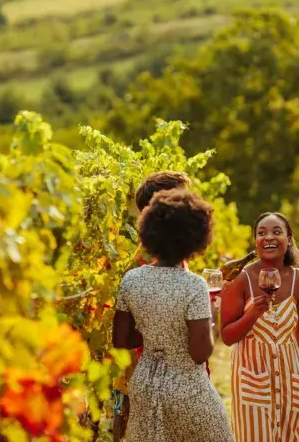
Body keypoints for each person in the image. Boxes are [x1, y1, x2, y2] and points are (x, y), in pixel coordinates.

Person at [112, 189, 233, 442]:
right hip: (187, 390)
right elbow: (200, 353)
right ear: (196, 238)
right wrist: (211, 315)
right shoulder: (194, 285)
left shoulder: (131, 279)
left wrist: (155, 330)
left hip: (145, 385)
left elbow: (121, 339)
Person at [111, 171, 197, 441]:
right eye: (184, 202)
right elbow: (133, 335)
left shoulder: (171, 254)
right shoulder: (143, 266)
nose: (191, 207)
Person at [221, 212, 299, 441]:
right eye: (261, 233)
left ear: (289, 238)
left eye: (276, 231)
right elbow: (227, 336)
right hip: (252, 378)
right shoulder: (241, 279)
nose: (268, 237)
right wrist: (253, 313)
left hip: (289, 376)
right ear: (255, 241)